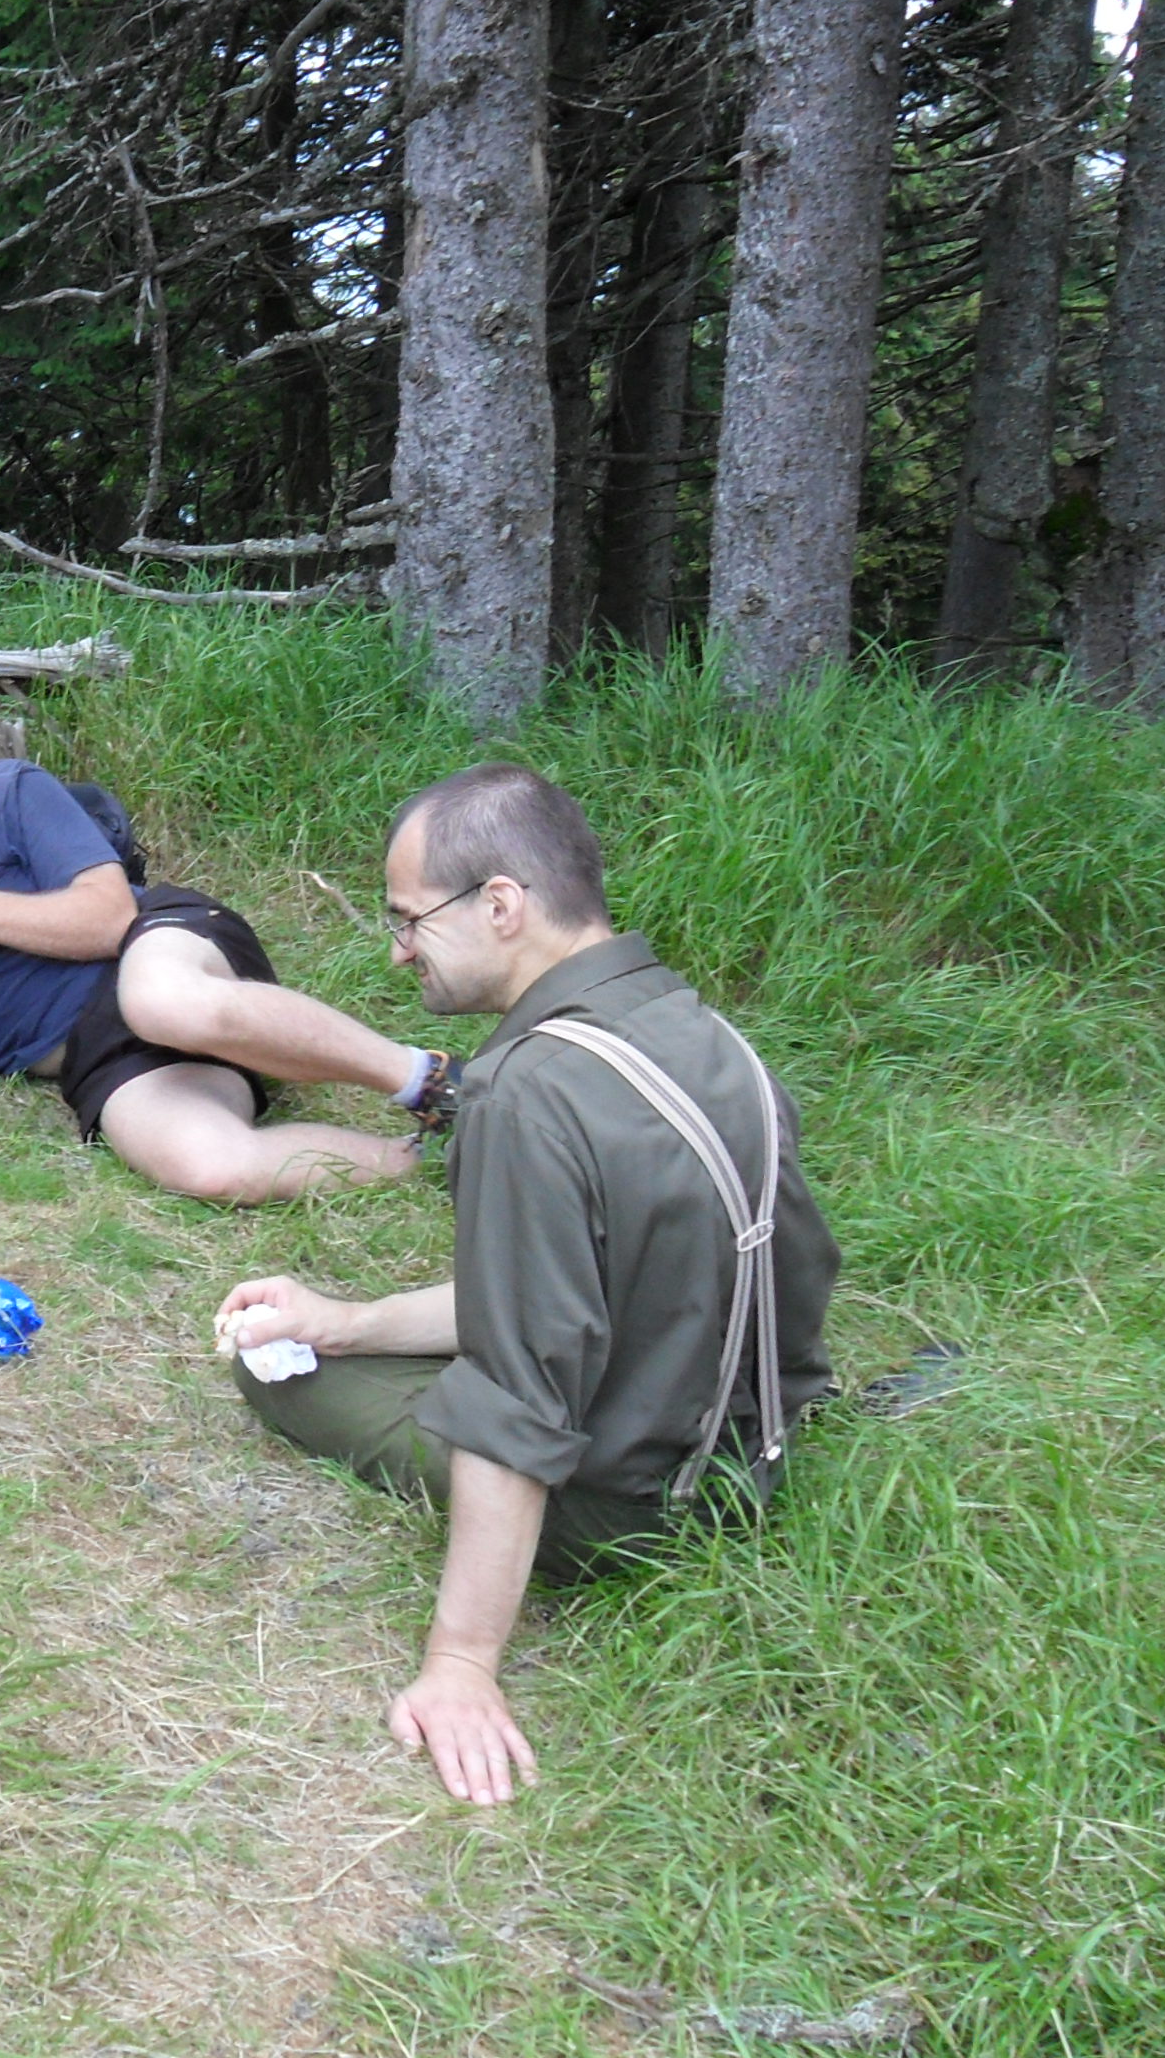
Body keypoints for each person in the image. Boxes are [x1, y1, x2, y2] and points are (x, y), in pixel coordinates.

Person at [216, 764, 838, 1804]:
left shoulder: (524, 1094)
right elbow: (589, 1289)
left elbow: (518, 1397)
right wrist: (350, 1319)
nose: (398, 948)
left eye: (410, 919)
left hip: (644, 1506)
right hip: (753, 1445)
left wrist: (461, 1663)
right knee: (324, 1340)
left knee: (275, 1371)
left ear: (501, 904)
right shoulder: (693, 1026)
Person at [0, 682, 454, 1201]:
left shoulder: (6, 792)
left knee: (161, 1001)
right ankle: (444, 1158)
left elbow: (110, 918)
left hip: (157, 949)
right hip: (97, 1050)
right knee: (212, 1166)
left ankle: (433, 1081)